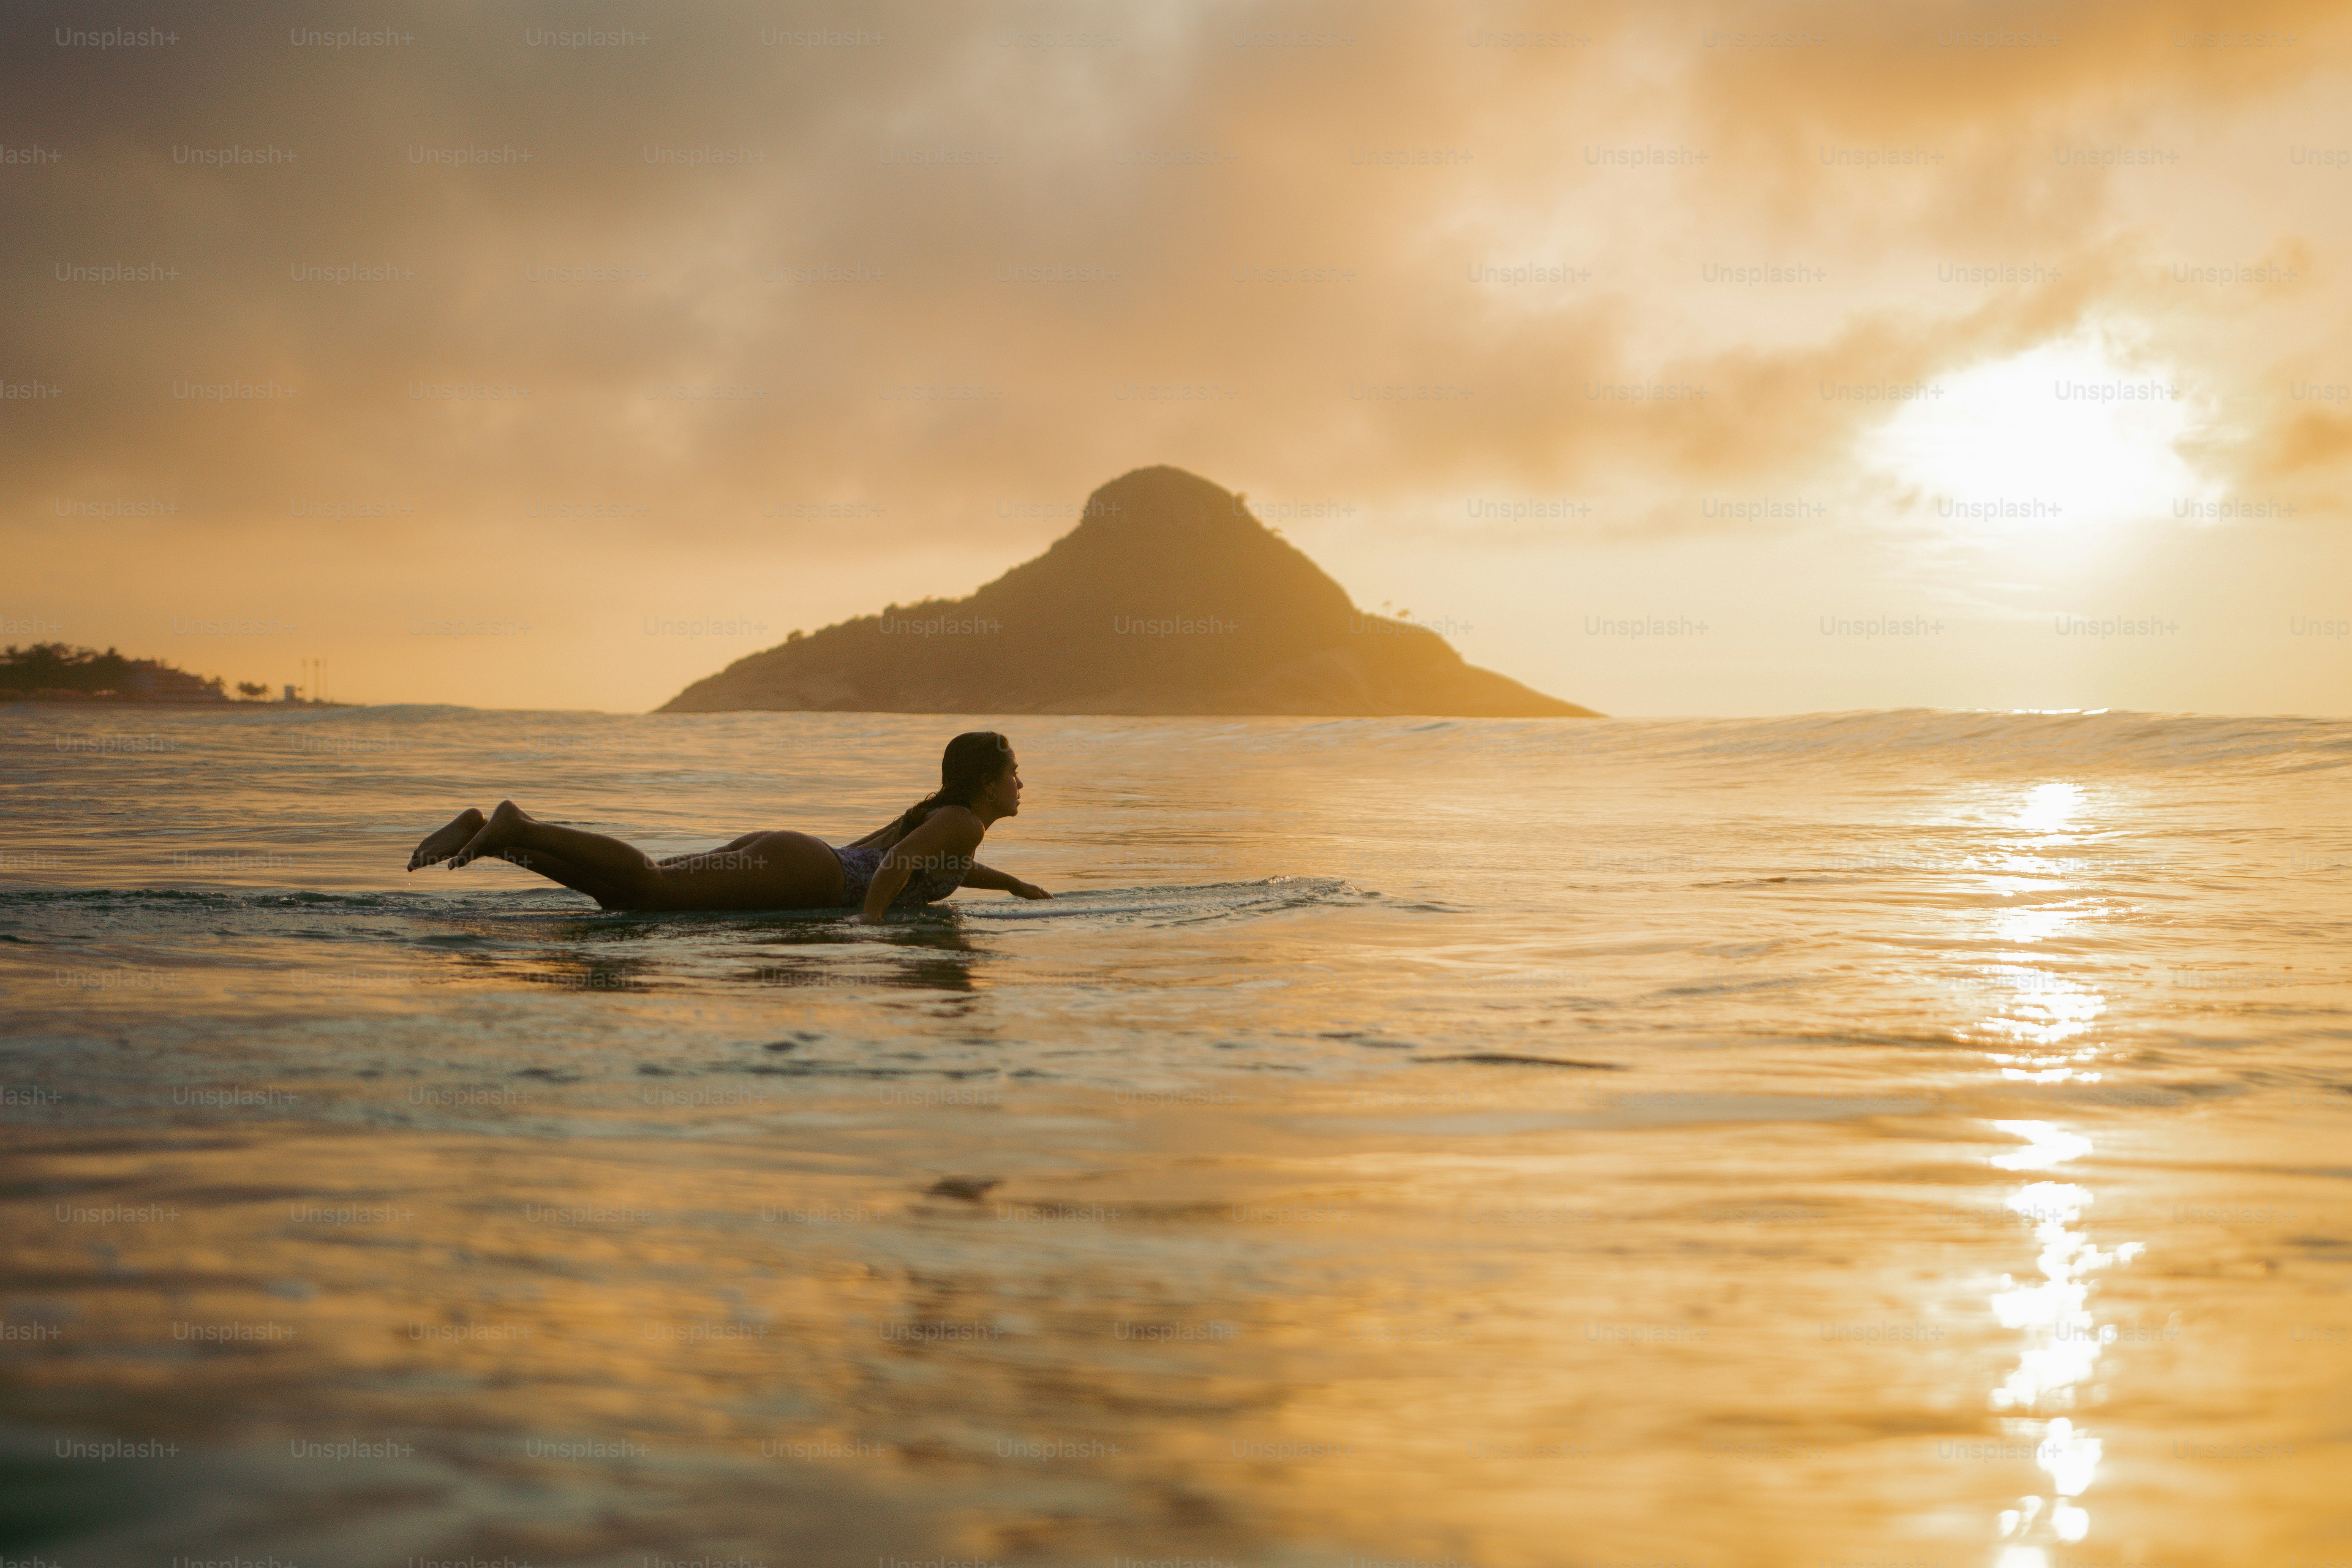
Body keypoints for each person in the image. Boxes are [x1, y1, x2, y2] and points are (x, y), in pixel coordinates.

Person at [404, 730, 1048, 920]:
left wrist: (1015, 887)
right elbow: (898, 864)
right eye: (1016, 772)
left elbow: (937, 863)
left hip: (796, 856)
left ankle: (496, 839)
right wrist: (870, 933)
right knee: (651, 889)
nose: (1022, 783)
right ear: (988, 783)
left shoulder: (951, 822)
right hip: (810, 873)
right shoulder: (963, 821)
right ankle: (524, 824)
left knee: (630, 899)